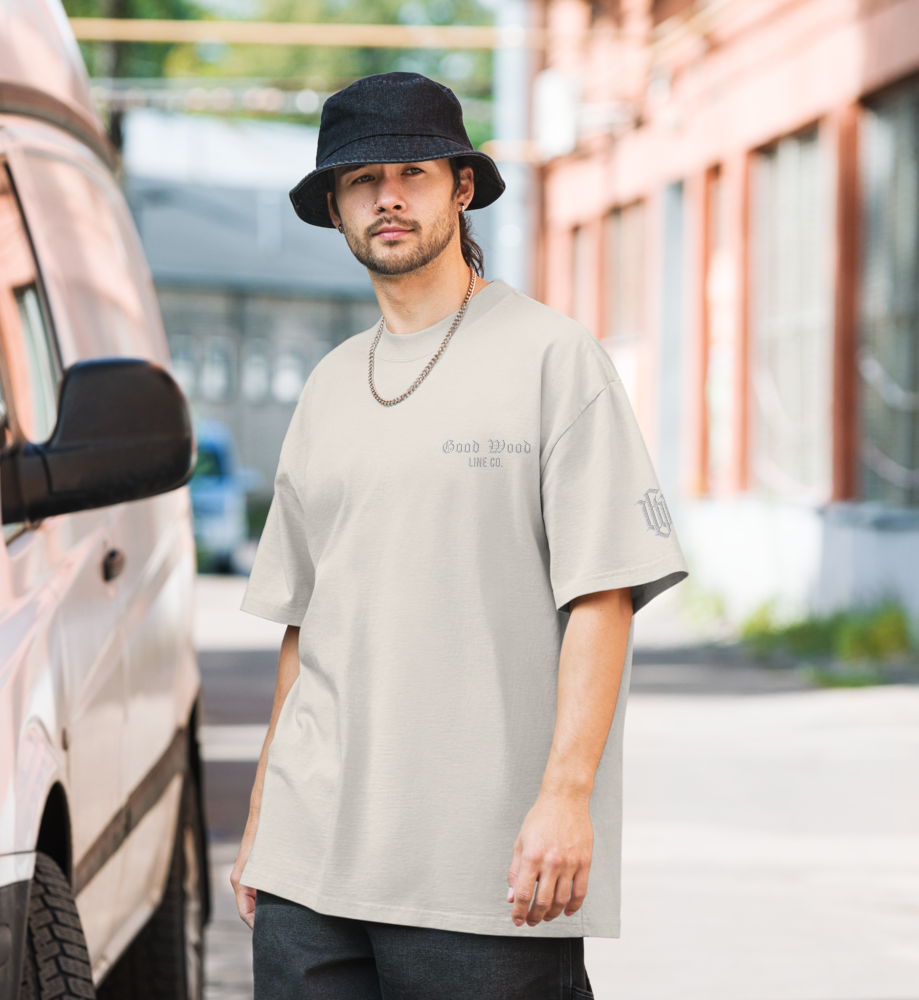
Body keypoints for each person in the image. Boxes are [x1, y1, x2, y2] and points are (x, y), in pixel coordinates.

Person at [231, 72, 688, 999]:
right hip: (309, 870)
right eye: (360, 180)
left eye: (412, 171)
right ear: (335, 207)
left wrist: (566, 797)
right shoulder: (324, 387)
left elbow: (603, 596)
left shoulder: (555, 359)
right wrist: (263, 812)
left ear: (462, 187)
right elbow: (304, 625)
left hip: (483, 876)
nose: (387, 196)